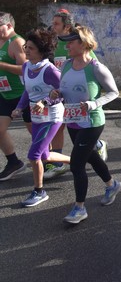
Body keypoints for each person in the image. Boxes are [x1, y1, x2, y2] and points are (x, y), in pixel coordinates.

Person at [52, 25, 121, 224]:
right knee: (90, 155)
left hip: (91, 122)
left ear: (83, 44)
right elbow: (62, 89)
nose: (67, 47)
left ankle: (79, 208)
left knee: (76, 164)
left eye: (71, 43)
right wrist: (55, 94)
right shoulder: (65, 65)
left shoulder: (96, 67)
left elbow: (113, 92)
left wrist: (94, 103)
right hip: (73, 121)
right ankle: (112, 184)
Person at [12, 29, 71, 206]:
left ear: (41, 50)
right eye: (25, 47)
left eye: (30, 48)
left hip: (52, 117)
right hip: (37, 117)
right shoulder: (26, 66)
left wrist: (45, 102)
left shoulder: (50, 70)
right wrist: (19, 107)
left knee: (34, 155)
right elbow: (27, 91)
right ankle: (79, 160)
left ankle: (39, 191)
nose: (26, 50)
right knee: (44, 155)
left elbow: (63, 93)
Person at [47, 9, 105, 179]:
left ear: (66, 26)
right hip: (61, 92)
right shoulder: (56, 43)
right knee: (58, 127)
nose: (53, 26)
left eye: (56, 23)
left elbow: (94, 67)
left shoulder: (79, 42)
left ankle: (98, 144)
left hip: (79, 97)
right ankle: (57, 163)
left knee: (74, 131)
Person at [0, 12, 29, 181]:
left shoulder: (17, 42)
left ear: (9, 26)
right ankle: (14, 162)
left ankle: (50, 161)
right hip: (4, 94)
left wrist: (2, 65)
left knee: (36, 133)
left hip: (22, 95)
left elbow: (25, 68)